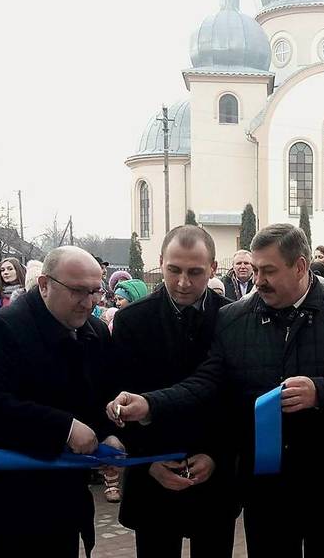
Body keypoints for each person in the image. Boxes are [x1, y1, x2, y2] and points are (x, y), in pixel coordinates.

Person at [110, 224, 324, 557]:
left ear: (301, 267)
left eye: (269, 271)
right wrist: (149, 404)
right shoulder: (235, 318)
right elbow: (207, 382)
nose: (258, 279)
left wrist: (320, 391)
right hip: (266, 491)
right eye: (256, 268)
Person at [0, 246, 123, 556]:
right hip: (3, 513)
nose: (89, 302)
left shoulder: (94, 332)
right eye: (77, 291)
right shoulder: (1, 329)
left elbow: (100, 396)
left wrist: (108, 431)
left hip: (63, 510)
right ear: (44, 285)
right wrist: (64, 429)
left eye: (95, 291)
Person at [106, 226, 238, 557]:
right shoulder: (132, 320)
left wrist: (217, 456)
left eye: (195, 272)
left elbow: (238, 397)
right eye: (174, 270)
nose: (183, 282)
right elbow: (120, 398)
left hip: (213, 474)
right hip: (153, 473)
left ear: (213, 269)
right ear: (161, 262)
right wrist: (148, 462)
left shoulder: (234, 318)